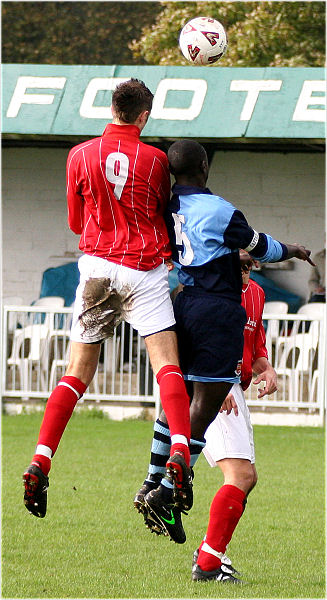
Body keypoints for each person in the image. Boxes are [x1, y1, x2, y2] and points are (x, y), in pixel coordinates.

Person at [134, 139, 314, 579]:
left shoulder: (163, 205)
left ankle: (156, 478)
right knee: (210, 404)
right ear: (205, 166)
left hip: (181, 301)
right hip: (215, 309)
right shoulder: (219, 211)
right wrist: (291, 248)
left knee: (180, 396)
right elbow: (261, 246)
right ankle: (168, 487)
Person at [22, 80, 192, 519]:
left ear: (112, 108)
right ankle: (179, 453)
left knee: (76, 374)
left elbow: (76, 222)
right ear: (143, 117)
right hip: (142, 268)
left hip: (97, 266)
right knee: (167, 366)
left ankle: (42, 458)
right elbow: (161, 214)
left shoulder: (78, 155)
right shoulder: (155, 160)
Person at [192, 250, 277, 583]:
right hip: (210, 387)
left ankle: (210, 554)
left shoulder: (256, 294)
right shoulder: (208, 293)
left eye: (250, 264)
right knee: (240, 475)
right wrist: (215, 381)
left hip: (234, 391)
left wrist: (265, 366)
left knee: (248, 477)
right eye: (238, 263)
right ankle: (209, 563)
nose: (245, 270)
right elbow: (191, 344)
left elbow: (254, 345)